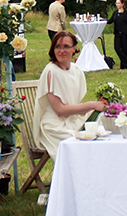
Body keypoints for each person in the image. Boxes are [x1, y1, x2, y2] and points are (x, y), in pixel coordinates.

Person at [32, 31, 107, 160]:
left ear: (74, 49)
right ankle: (75, 177)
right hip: (55, 127)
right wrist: (91, 105)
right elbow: (60, 110)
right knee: (84, 143)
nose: (61, 51)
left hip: (72, 121)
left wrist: (98, 105)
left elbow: (74, 106)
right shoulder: (51, 71)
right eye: (57, 46)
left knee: (103, 124)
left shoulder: (76, 70)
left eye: (66, 46)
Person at [105, 0, 127, 69]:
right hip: (117, 34)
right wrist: (102, 20)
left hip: (125, 34)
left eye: (118, 3)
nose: (117, 5)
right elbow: (110, 21)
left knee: (124, 50)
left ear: (122, 4)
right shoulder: (115, 13)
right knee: (117, 48)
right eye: (116, 3)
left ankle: (124, 66)